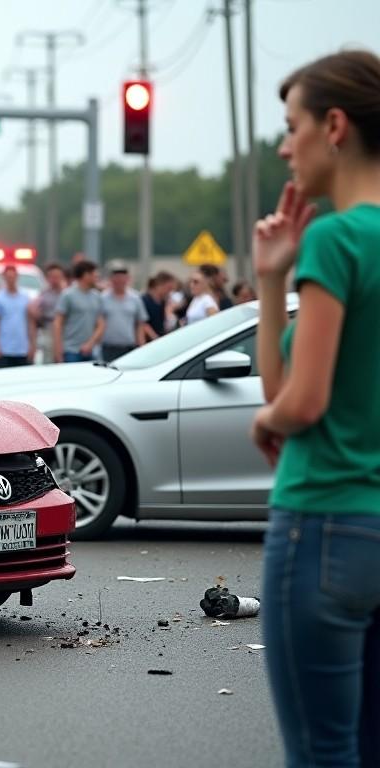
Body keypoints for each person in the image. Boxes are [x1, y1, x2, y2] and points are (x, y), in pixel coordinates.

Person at [251, 49, 380, 767]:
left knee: (322, 754)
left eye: (290, 123)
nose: (282, 144)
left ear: (334, 126)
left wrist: (265, 425)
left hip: (324, 521)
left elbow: (296, 401)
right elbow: (287, 384)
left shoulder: (337, 238)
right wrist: (272, 280)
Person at [53, 260, 105, 363]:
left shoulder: (97, 296)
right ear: (86, 275)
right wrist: (58, 350)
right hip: (71, 351)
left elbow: (101, 324)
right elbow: (58, 323)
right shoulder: (68, 295)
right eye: (94, 275)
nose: (97, 278)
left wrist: (90, 343)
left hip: (91, 351)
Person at [100, 260, 150, 362]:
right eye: (116, 277)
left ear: (127, 279)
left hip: (129, 347)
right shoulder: (103, 298)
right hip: (108, 348)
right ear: (111, 279)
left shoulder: (135, 298)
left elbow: (140, 324)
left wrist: (141, 346)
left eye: (122, 277)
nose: (119, 280)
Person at [0, 264, 34, 367]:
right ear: (4, 278)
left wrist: (32, 344)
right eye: (8, 277)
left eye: (13, 276)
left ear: (17, 277)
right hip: (5, 347)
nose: (11, 279)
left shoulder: (25, 297)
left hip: (22, 347)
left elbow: (30, 322)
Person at [30, 262, 66, 364]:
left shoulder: (67, 294)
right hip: (48, 330)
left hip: (65, 332)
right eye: (52, 277)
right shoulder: (44, 294)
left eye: (57, 277)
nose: (55, 280)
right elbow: (33, 311)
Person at [141, 271, 174, 339]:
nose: (169, 292)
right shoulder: (144, 300)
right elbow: (143, 323)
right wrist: (155, 337)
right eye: (168, 288)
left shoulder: (163, 302)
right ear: (159, 285)